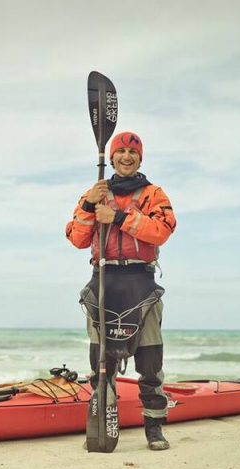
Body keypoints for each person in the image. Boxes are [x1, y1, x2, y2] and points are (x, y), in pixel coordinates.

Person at [65, 131, 176, 451]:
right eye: (120, 151)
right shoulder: (95, 192)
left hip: (140, 280)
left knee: (150, 360)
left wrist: (117, 217)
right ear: (111, 158)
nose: (126, 156)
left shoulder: (154, 193)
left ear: (141, 158)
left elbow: (161, 231)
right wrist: (89, 205)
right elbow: (76, 238)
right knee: (100, 360)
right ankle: (100, 422)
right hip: (104, 278)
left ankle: (154, 428)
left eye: (133, 152)